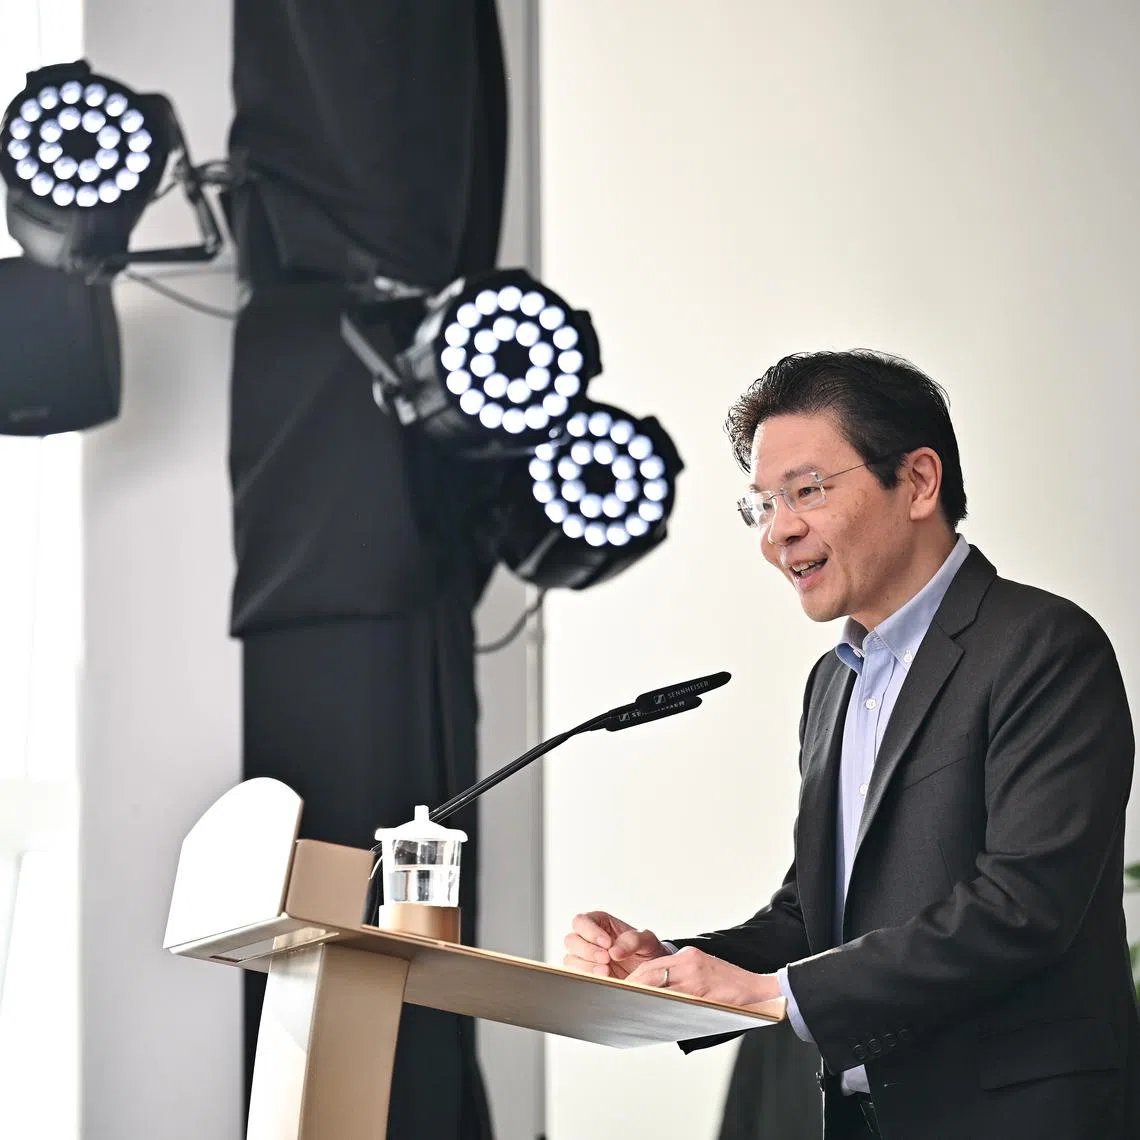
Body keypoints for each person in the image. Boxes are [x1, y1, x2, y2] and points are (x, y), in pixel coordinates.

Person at [562, 350, 1140, 1140]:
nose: (779, 532)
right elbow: (816, 914)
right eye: (762, 504)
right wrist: (671, 968)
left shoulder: (1044, 646)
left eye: (806, 491)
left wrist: (772, 995)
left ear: (920, 482)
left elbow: (1023, 907)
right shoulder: (832, 683)